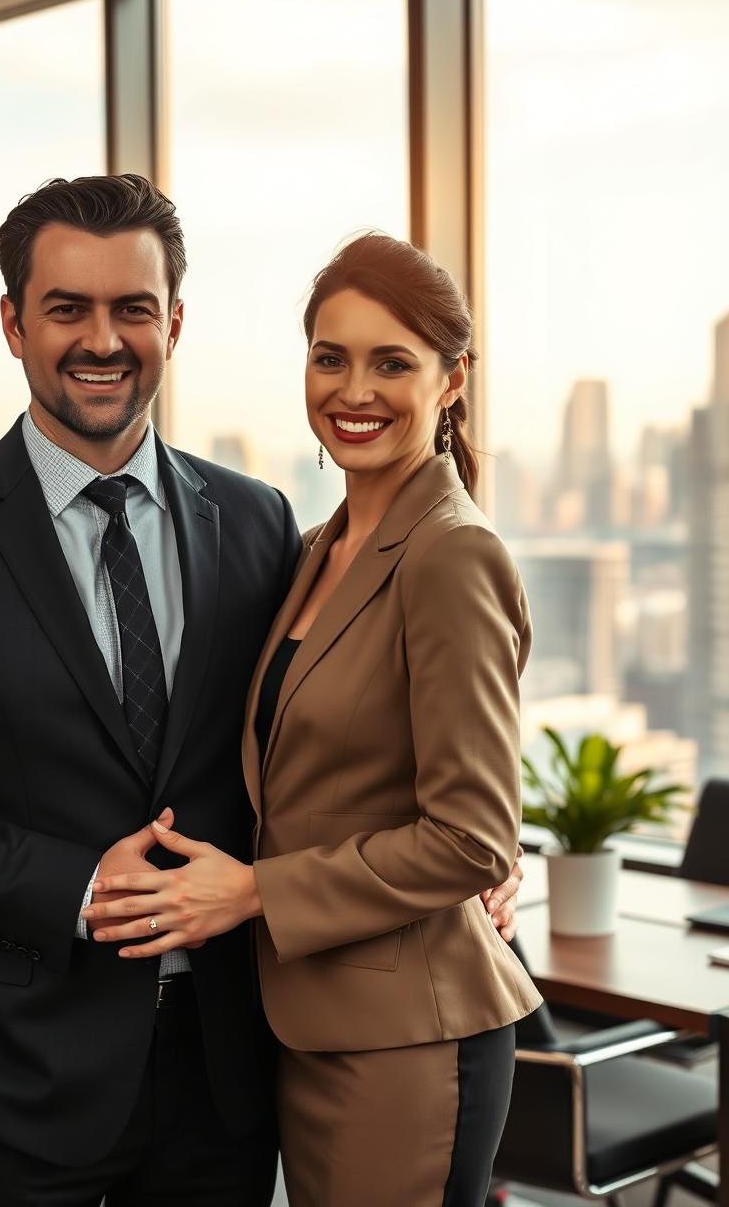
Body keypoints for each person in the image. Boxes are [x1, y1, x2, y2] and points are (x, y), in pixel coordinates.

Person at [0, 179, 524, 1206]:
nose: (103, 338)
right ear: (13, 323)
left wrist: (493, 852)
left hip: (233, 1075)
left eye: (133, 308)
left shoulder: (256, 521)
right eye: (67, 308)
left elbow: (348, 734)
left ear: (173, 323)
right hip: (9, 1077)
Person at [85, 232, 542, 1207]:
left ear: (452, 380)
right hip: (302, 1020)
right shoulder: (309, 548)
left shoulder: (449, 554)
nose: (354, 389)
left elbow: (470, 833)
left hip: (408, 1037)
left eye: (392, 362)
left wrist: (254, 890)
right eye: (330, 356)